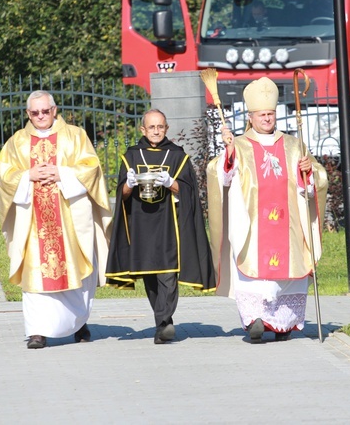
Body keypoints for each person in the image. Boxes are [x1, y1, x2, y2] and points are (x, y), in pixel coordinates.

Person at [206, 77, 327, 343]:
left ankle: (282, 324)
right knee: (255, 274)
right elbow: (222, 177)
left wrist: (308, 172)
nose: (267, 119)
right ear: (251, 117)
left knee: (288, 272)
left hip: (289, 223)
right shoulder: (239, 145)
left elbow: (314, 181)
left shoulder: (295, 145)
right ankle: (256, 321)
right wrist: (228, 155)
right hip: (254, 225)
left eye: (270, 114)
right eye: (262, 115)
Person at [0, 90, 112, 349]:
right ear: (28, 114)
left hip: (69, 218)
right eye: (35, 112)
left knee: (77, 269)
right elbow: (5, 176)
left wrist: (61, 173)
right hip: (33, 222)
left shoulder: (75, 135)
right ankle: (37, 331)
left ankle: (78, 321)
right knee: (34, 273)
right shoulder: (17, 142)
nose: (40, 116)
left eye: (45, 111)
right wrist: (28, 175)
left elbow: (92, 167)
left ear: (54, 110)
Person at [106, 109, 216, 344]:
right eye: (151, 127)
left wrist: (172, 183)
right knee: (150, 275)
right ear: (143, 130)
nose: (156, 131)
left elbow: (189, 192)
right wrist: (129, 183)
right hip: (141, 224)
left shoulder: (177, 156)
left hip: (169, 224)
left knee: (168, 273)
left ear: (166, 129)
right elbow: (122, 195)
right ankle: (161, 322)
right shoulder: (132, 156)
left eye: (160, 127)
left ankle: (165, 322)